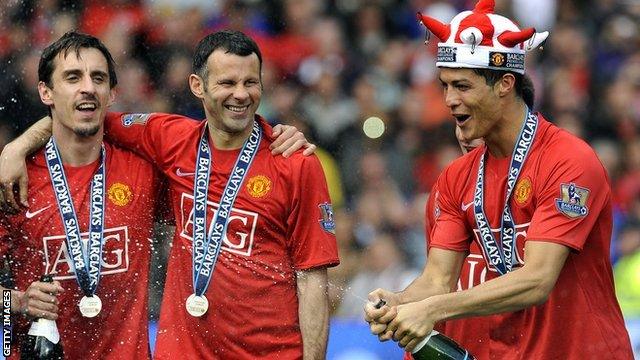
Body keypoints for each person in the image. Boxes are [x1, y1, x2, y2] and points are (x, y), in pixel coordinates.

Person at [2, 30, 338, 359]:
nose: (241, 94)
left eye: (250, 82)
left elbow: (312, 279)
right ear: (198, 86)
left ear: (111, 93)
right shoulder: (15, 183)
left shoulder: (290, 163)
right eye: (227, 83)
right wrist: (14, 150)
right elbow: (76, 115)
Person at [364, 0, 634, 358]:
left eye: (462, 86)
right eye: (444, 85)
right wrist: (400, 300)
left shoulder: (569, 161)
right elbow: (437, 280)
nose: (449, 100)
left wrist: (431, 309)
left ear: (505, 83)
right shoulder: (456, 177)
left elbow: (537, 280)